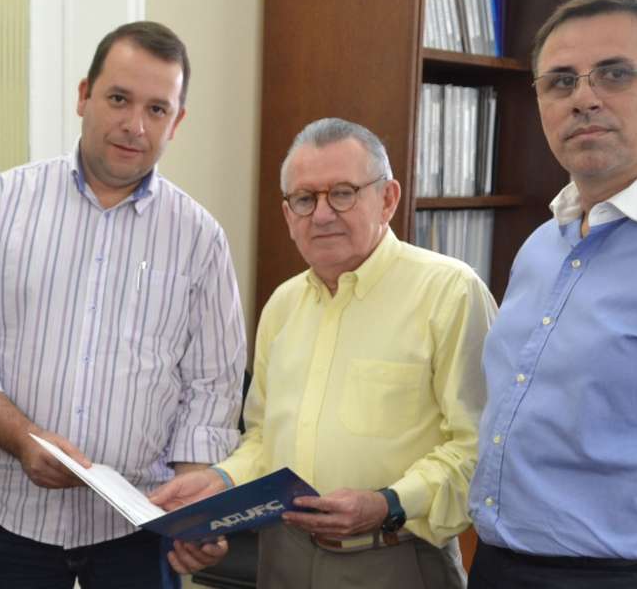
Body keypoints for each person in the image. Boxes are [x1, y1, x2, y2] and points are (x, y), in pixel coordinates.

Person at [0, 21, 247, 588]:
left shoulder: (199, 239)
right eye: (119, 99)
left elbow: (211, 388)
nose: (134, 125)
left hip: (139, 531)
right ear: (83, 96)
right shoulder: (3, 205)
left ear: (176, 122)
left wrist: (194, 507)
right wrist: (23, 437)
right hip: (10, 524)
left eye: (156, 109)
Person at [467, 0, 637, 588]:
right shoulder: (542, 244)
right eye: (561, 81)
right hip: (501, 565)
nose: (584, 98)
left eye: (614, 74)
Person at [151, 118, 495, 589]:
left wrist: (389, 503)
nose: (322, 214)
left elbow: (479, 446)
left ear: (388, 198)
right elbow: (263, 440)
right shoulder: (283, 305)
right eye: (305, 199)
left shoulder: (450, 293)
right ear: (287, 213)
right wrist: (220, 482)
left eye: (343, 194)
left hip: (395, 556)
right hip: (282, 557)